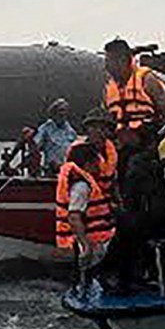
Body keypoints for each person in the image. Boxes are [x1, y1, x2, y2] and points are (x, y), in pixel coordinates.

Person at [54, 112, 117, 278]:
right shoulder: (78, 153)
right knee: (87, 262)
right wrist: (84, 243)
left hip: (104, 211)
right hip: (86, 210)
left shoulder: (113, 150)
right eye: (95, 127)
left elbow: (114, 181)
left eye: (104, 128)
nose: (99, 132)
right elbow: (74, 214)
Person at [100, 38, 165, 153]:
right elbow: (105, 119)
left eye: (109, 61)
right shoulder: (108, 88)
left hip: (147, 141)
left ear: (122, 60)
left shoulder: (146, 79)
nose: (106, 66)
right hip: (121, 144)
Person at [33, 98, 79, 170]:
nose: (63, 113)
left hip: (67, 169)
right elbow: (35, 146)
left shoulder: (71, 131)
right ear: (54, 112)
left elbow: (77, 150)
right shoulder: (46, 128)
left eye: (65, 111)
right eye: (60, 110)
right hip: (51, 169)